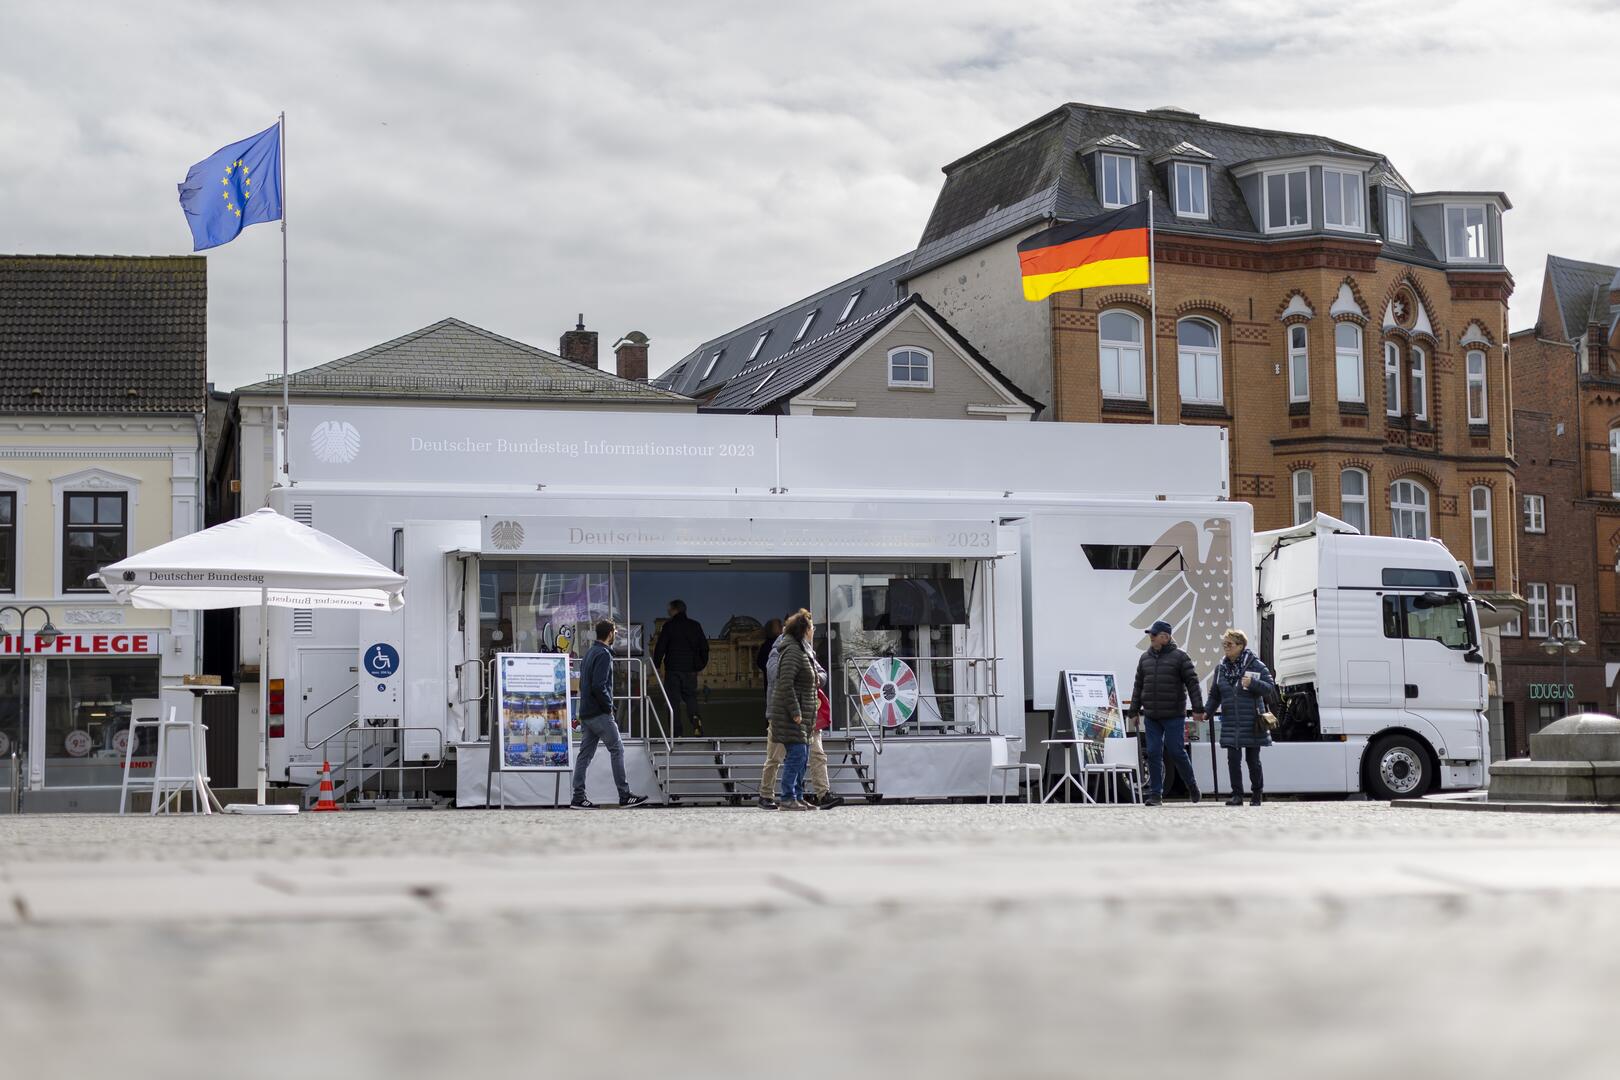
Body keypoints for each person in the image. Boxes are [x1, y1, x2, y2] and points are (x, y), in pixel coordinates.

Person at [758, 615, 841, 810]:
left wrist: (814, 679)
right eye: (811, 627)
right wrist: (803, 677)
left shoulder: (806, 648)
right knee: (776, 757)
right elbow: (777, 675)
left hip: (808, 712)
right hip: (784, 713)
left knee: (815, 754)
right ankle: (766, 794)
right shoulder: (782, 647)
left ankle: (822, 794)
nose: (813, 631)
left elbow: (821, 673)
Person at [570, 620, 649, 809]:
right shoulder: (604, 654)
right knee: (617, 749)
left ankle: (578, 798)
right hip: (599, 713)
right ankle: (624, 795)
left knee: (585, 756)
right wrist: (609, 706)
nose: (616, 635)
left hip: (587, 713)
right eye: (615, 632)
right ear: (610, 634)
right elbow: (599, 685)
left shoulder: (589, 653)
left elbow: (584, 684)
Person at [1127, 619, 1204, 806]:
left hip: (1173, 715)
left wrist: (1197, 709)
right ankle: (1155, 795)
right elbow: (1138, 686)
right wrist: (1134, 711)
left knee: (1177, 751)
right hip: (1152, 715)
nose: (1150, 638)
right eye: (1150, 635)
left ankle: (1192, 786)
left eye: (1154, 635)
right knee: (1153, 752)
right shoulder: (1144, 658)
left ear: (1165, 637)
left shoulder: (1180, 657)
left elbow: (1193, 684)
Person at [1206, 628, 1274, 807]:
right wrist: (1207, 712)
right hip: (1231, 722)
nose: (1226, 648)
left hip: (1252, 720)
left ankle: (1257, 794)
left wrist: (1253, 683)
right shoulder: (1221, 668)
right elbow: (1215, 695)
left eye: (1229, 644)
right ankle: (1237, 795)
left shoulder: (1255, 664)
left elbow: (1269, 687)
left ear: (1241, 646)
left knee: (1253, 760)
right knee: (1233, 760)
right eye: (1224, 644)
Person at [768, 609, 818, 810]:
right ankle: (787, 797)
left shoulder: (801, 649)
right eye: (812, 627)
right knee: (796, 755)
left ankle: (797, 795)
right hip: (792, 716)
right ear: (804, 629)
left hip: (803, 715)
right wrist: (796, 712)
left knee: (803, 755)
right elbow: (785, 684)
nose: (813, 630)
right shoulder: (792, 651)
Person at [653, 599, 708, 737]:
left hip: (673, 670)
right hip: (690, 670)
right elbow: (704, 647)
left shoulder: (669, 626)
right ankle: (696, 720)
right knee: (690, 698)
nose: (667, 611)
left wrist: (657, 665)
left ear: (674, 610)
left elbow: (660, 647)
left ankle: (676, 733)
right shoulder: (695, 625)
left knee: (673, 701)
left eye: (669, 609)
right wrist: (700, 664)